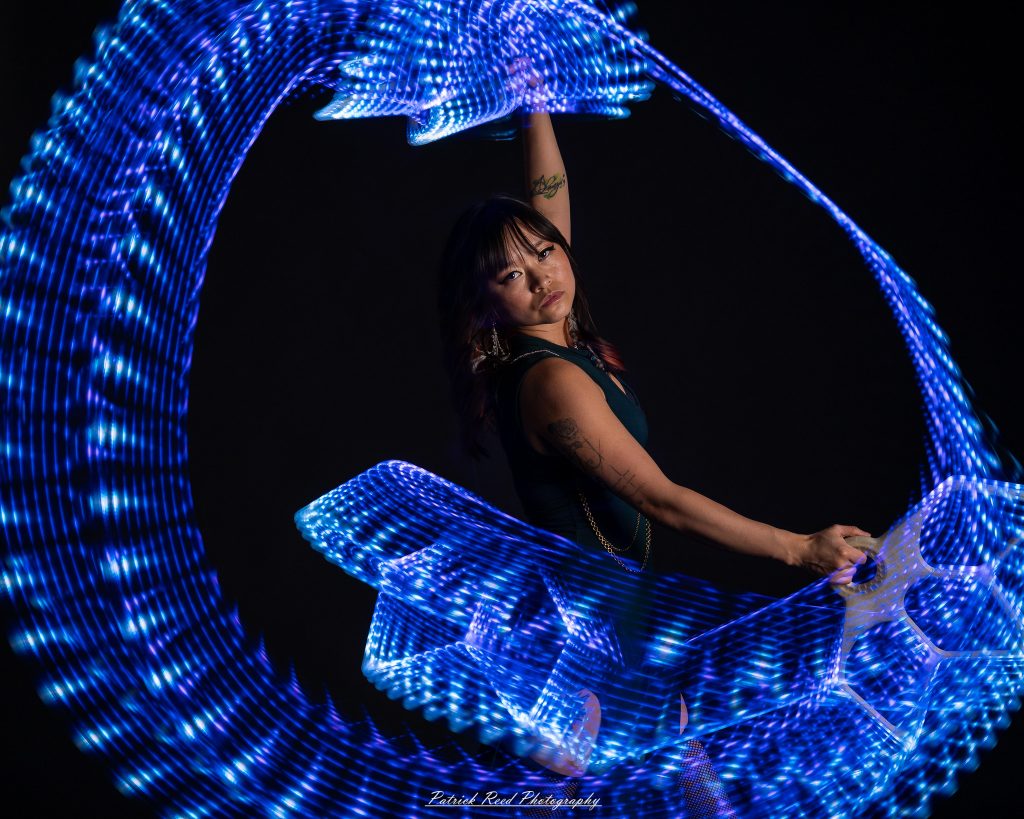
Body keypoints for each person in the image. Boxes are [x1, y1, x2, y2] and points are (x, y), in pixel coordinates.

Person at [435, 86, 871, 791]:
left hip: (609, 606)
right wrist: (800, 547)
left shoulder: (556, 336)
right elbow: (661, 501)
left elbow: (545, 205)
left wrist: (532, 100)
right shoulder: (553, 383)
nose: (542, 275)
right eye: (512, 275)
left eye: (545, 254)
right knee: (629, 780)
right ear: (486, 306)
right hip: (594, 624)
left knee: (658, 777)